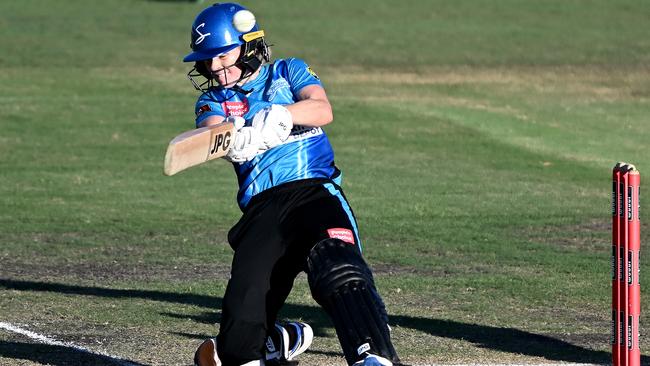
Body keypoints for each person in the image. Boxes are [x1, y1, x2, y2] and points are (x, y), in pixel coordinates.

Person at [182, 3, 401, 366]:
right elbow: (210, 132)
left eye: (223, 56)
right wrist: (236, 136)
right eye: (209, 62)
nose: (217, 69)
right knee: (241, 322)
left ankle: (372, 355)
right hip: (262, 210)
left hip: (314, 192)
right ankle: (272, 342)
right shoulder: (213, 99)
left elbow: (321, 108)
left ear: (249, 46)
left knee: (338, 267)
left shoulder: (288, 71)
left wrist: (283, 116)